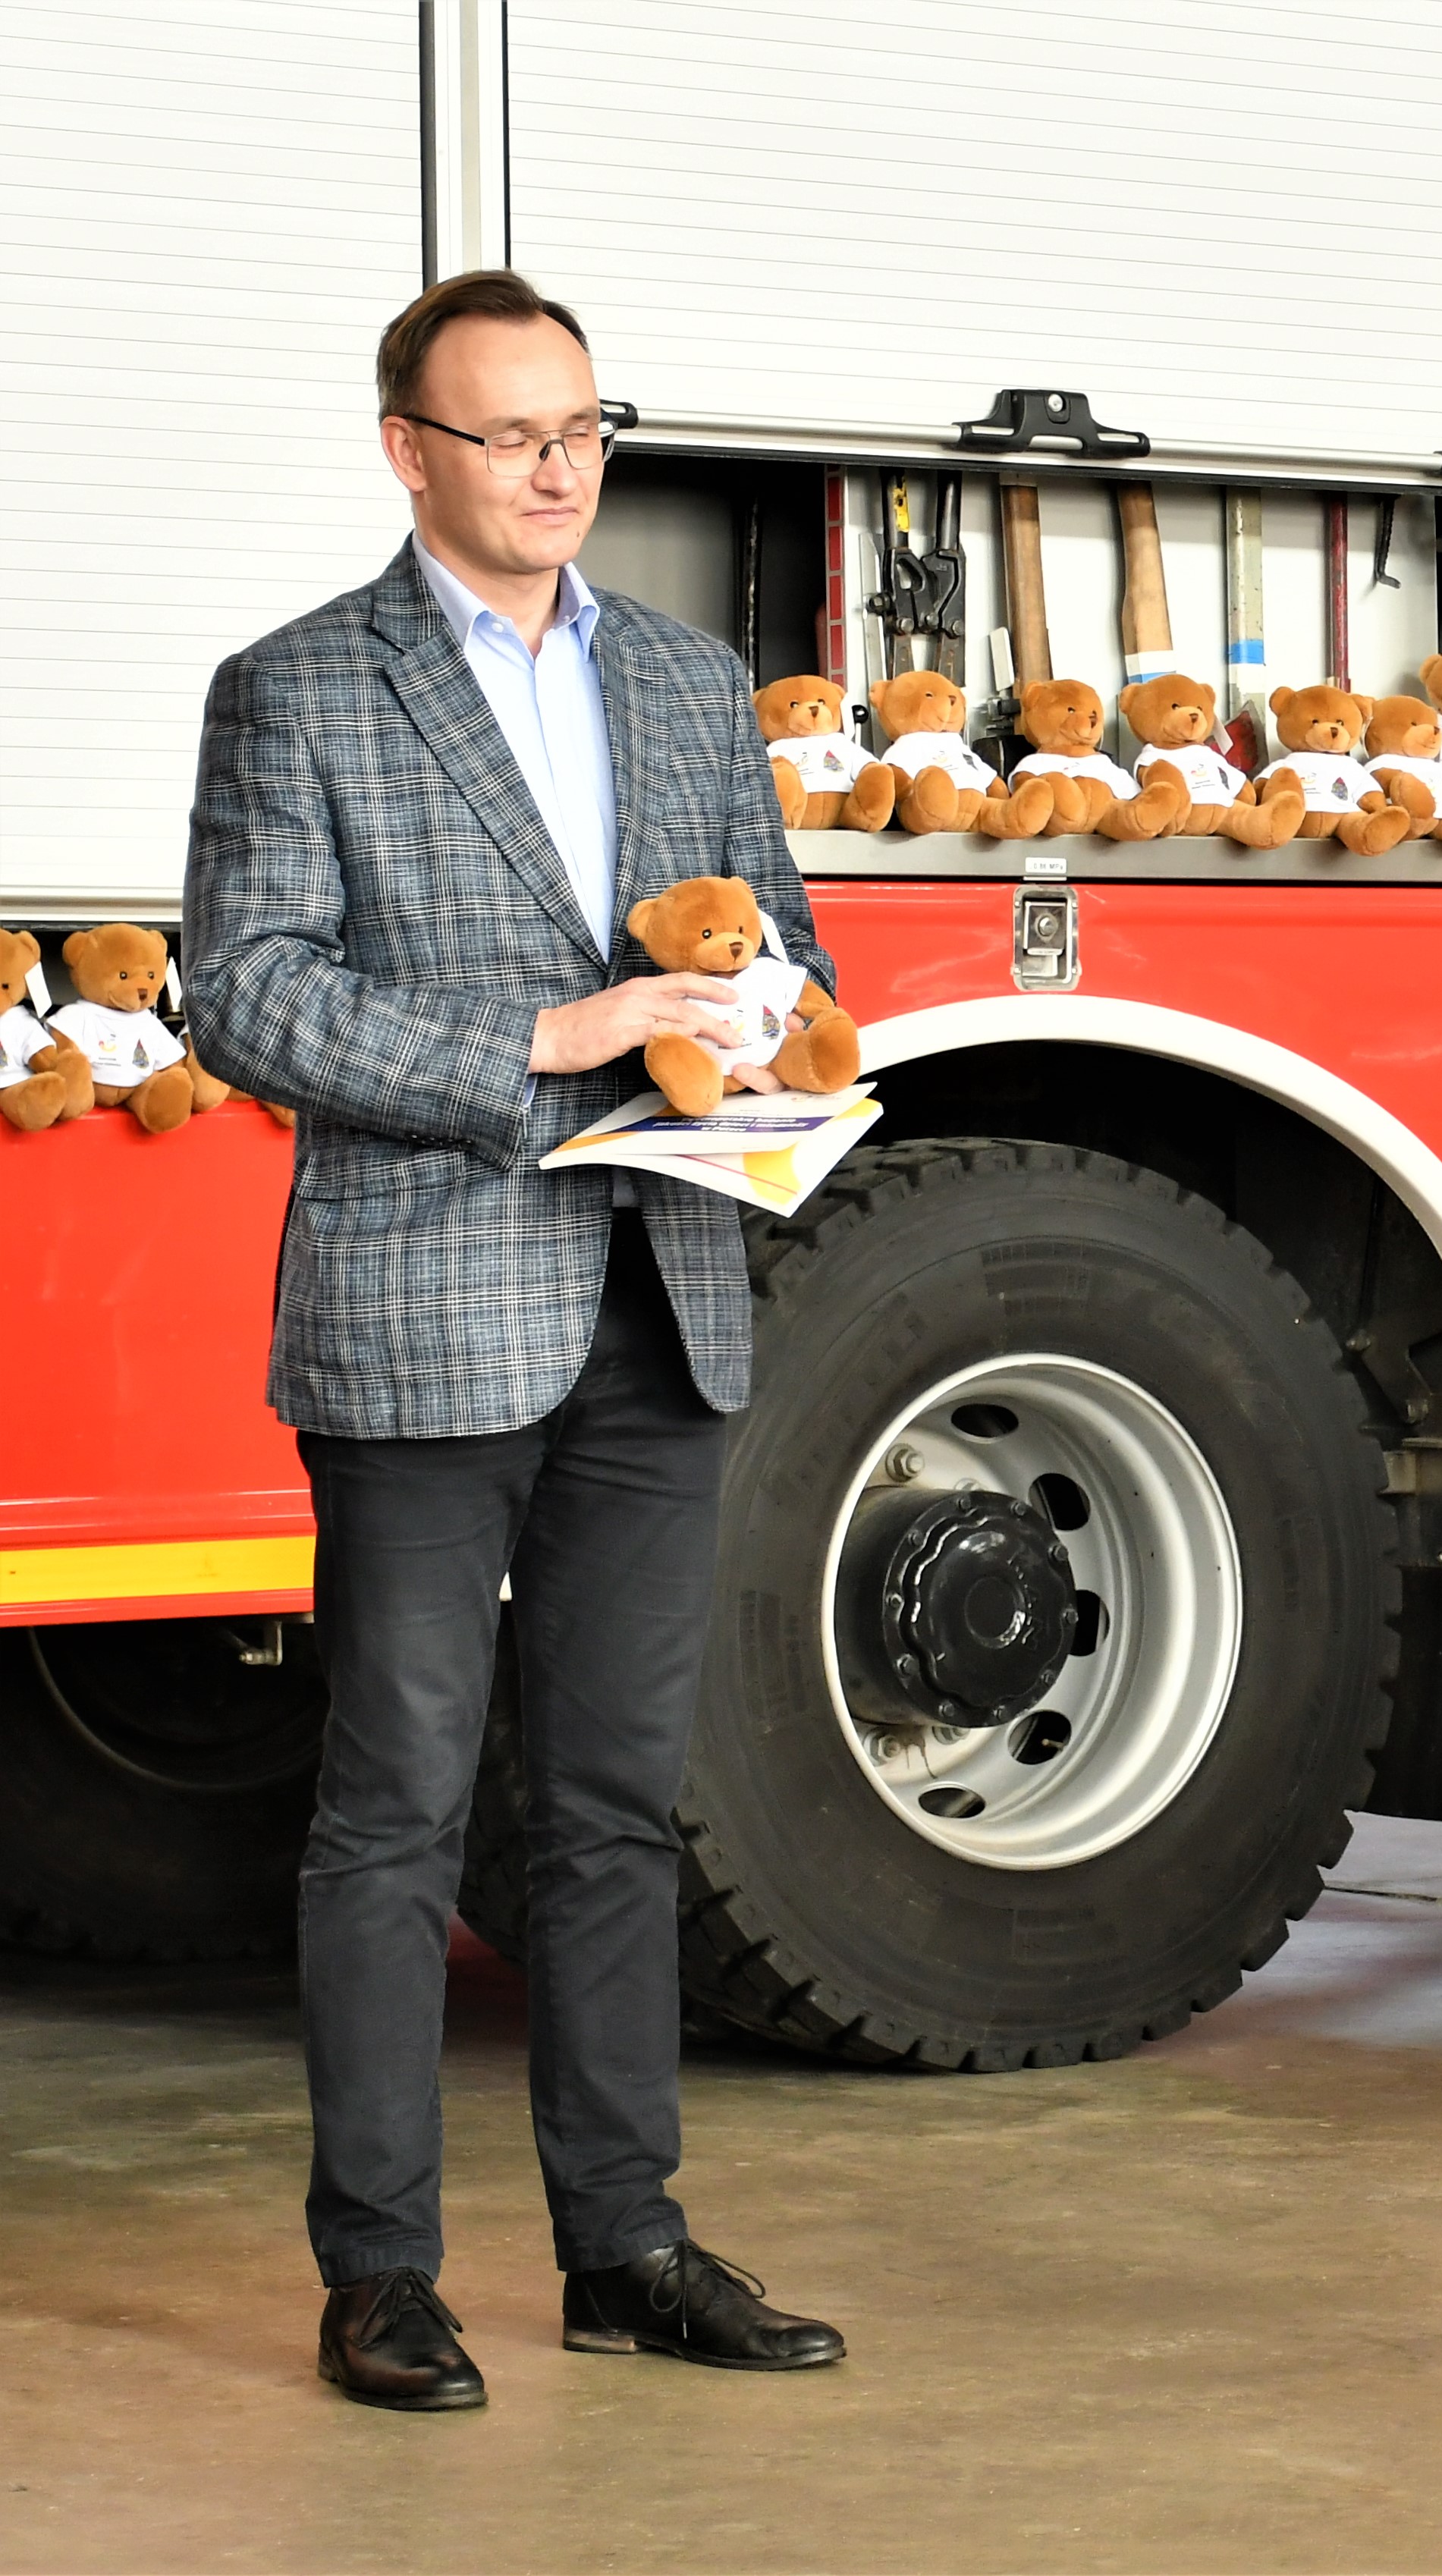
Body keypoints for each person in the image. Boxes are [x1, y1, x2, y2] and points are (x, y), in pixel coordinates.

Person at [185, 269, 849, 2410]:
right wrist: (550, 1040)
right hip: (422, 1311)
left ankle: (623, 2245)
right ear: (408, 450)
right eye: (509, 436)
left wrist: (775, 1035)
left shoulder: (683, 677)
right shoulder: (301, 689)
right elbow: (247, 991)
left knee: (617, 1808)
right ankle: (381, 2270)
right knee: (392, 1812)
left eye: (582, 430)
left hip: (666, 1293)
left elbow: (777, 934)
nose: (558, 471)